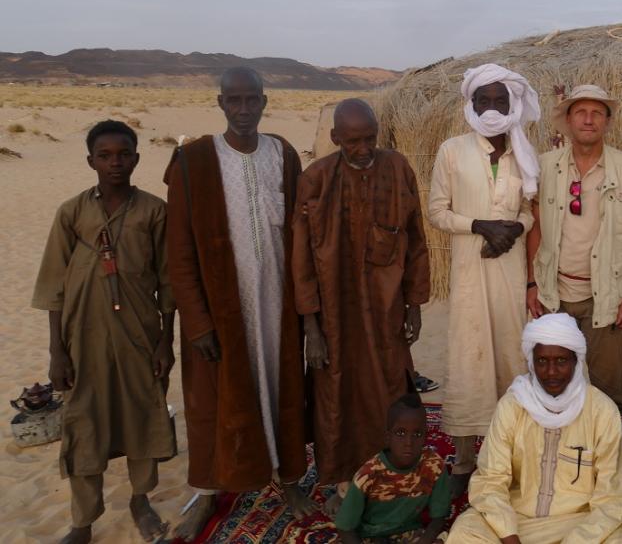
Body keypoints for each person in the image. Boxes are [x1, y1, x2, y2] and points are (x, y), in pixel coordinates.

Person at [166, 67, 315, 540]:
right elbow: (179, 251)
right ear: (220, 104)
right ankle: (209, 492)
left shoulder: (283, 154)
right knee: (213, 400)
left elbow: (301, 232)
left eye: (253, 100)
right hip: (220, 312)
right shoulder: (193, 161)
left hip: (278, 305)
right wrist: (197, 322)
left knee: (282, 389)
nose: (245, 109)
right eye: (236, 100)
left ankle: (288, 480)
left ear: (265, 102)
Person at [32, 120, 176, 544]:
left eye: (124, 154)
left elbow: (167, 283)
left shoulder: (153, 211)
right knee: (84, 422)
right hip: (83, 338)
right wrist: (57, 351)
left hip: (139, 334)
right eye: (105, 156)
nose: (115, 163)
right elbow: (53, 286)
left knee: (142, 413)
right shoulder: (72, 212)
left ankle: (140, 499)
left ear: (136, 158)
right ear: (91, 161)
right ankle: (83, 520)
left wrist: (166, 341)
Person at [293, 98, 431, 510]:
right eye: (353, 141)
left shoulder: (397, 168)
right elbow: (301, 256)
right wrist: (311, 327)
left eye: (369, 138)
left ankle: (389, 474)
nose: (364, 148)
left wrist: (415, 304)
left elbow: (416, 239)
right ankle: (340, 480)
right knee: (337, 395)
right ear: (335, 138)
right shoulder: (316, 179)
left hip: (387, 309)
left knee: (391, 386)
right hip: (336, 316)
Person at [428, 63, 539, 493]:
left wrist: (513, 229)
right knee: (468, 356)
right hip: (470, 272)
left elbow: (529, 212)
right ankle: (463, 457)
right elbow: (437, 211)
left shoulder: (523, 152)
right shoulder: (452, 150)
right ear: (470, 104)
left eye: (500, 100)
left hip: (509, 273)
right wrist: (480, 226)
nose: (492, 108)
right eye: (483, 100)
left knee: (510, 358)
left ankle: (507, 451)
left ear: (512, 104)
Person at [447, 313, 622, 543]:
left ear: (576, 362)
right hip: (517, 520)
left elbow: (611, 498)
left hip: (580, 524)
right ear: (531, 362)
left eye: (561, 361)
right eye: (542, 361)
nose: (551, 372)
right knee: (464, 533)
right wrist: (509, 535)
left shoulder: (602, 412)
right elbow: (490, 480)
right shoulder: (512, 406)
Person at [526, 84, 622, 413]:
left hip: (606, 297)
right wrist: (531, 283)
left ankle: (606, 458)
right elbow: (535, 227)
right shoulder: (543, 169)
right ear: (568, 120)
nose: (588, 119)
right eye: (580, 112)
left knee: (607, 390)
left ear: (608, 122)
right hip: (554, 294)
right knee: (552, 384)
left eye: (597, 113)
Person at [335, 394, 452, 544]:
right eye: (400, 433)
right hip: (370, 535)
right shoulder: (368, 474)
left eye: (417, 434)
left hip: (409, 532)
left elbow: (439, 518)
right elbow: (345, 528)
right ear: (388, 437)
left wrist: (425, 540)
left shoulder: (434, 466)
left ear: (425, 437)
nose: (408, 442)